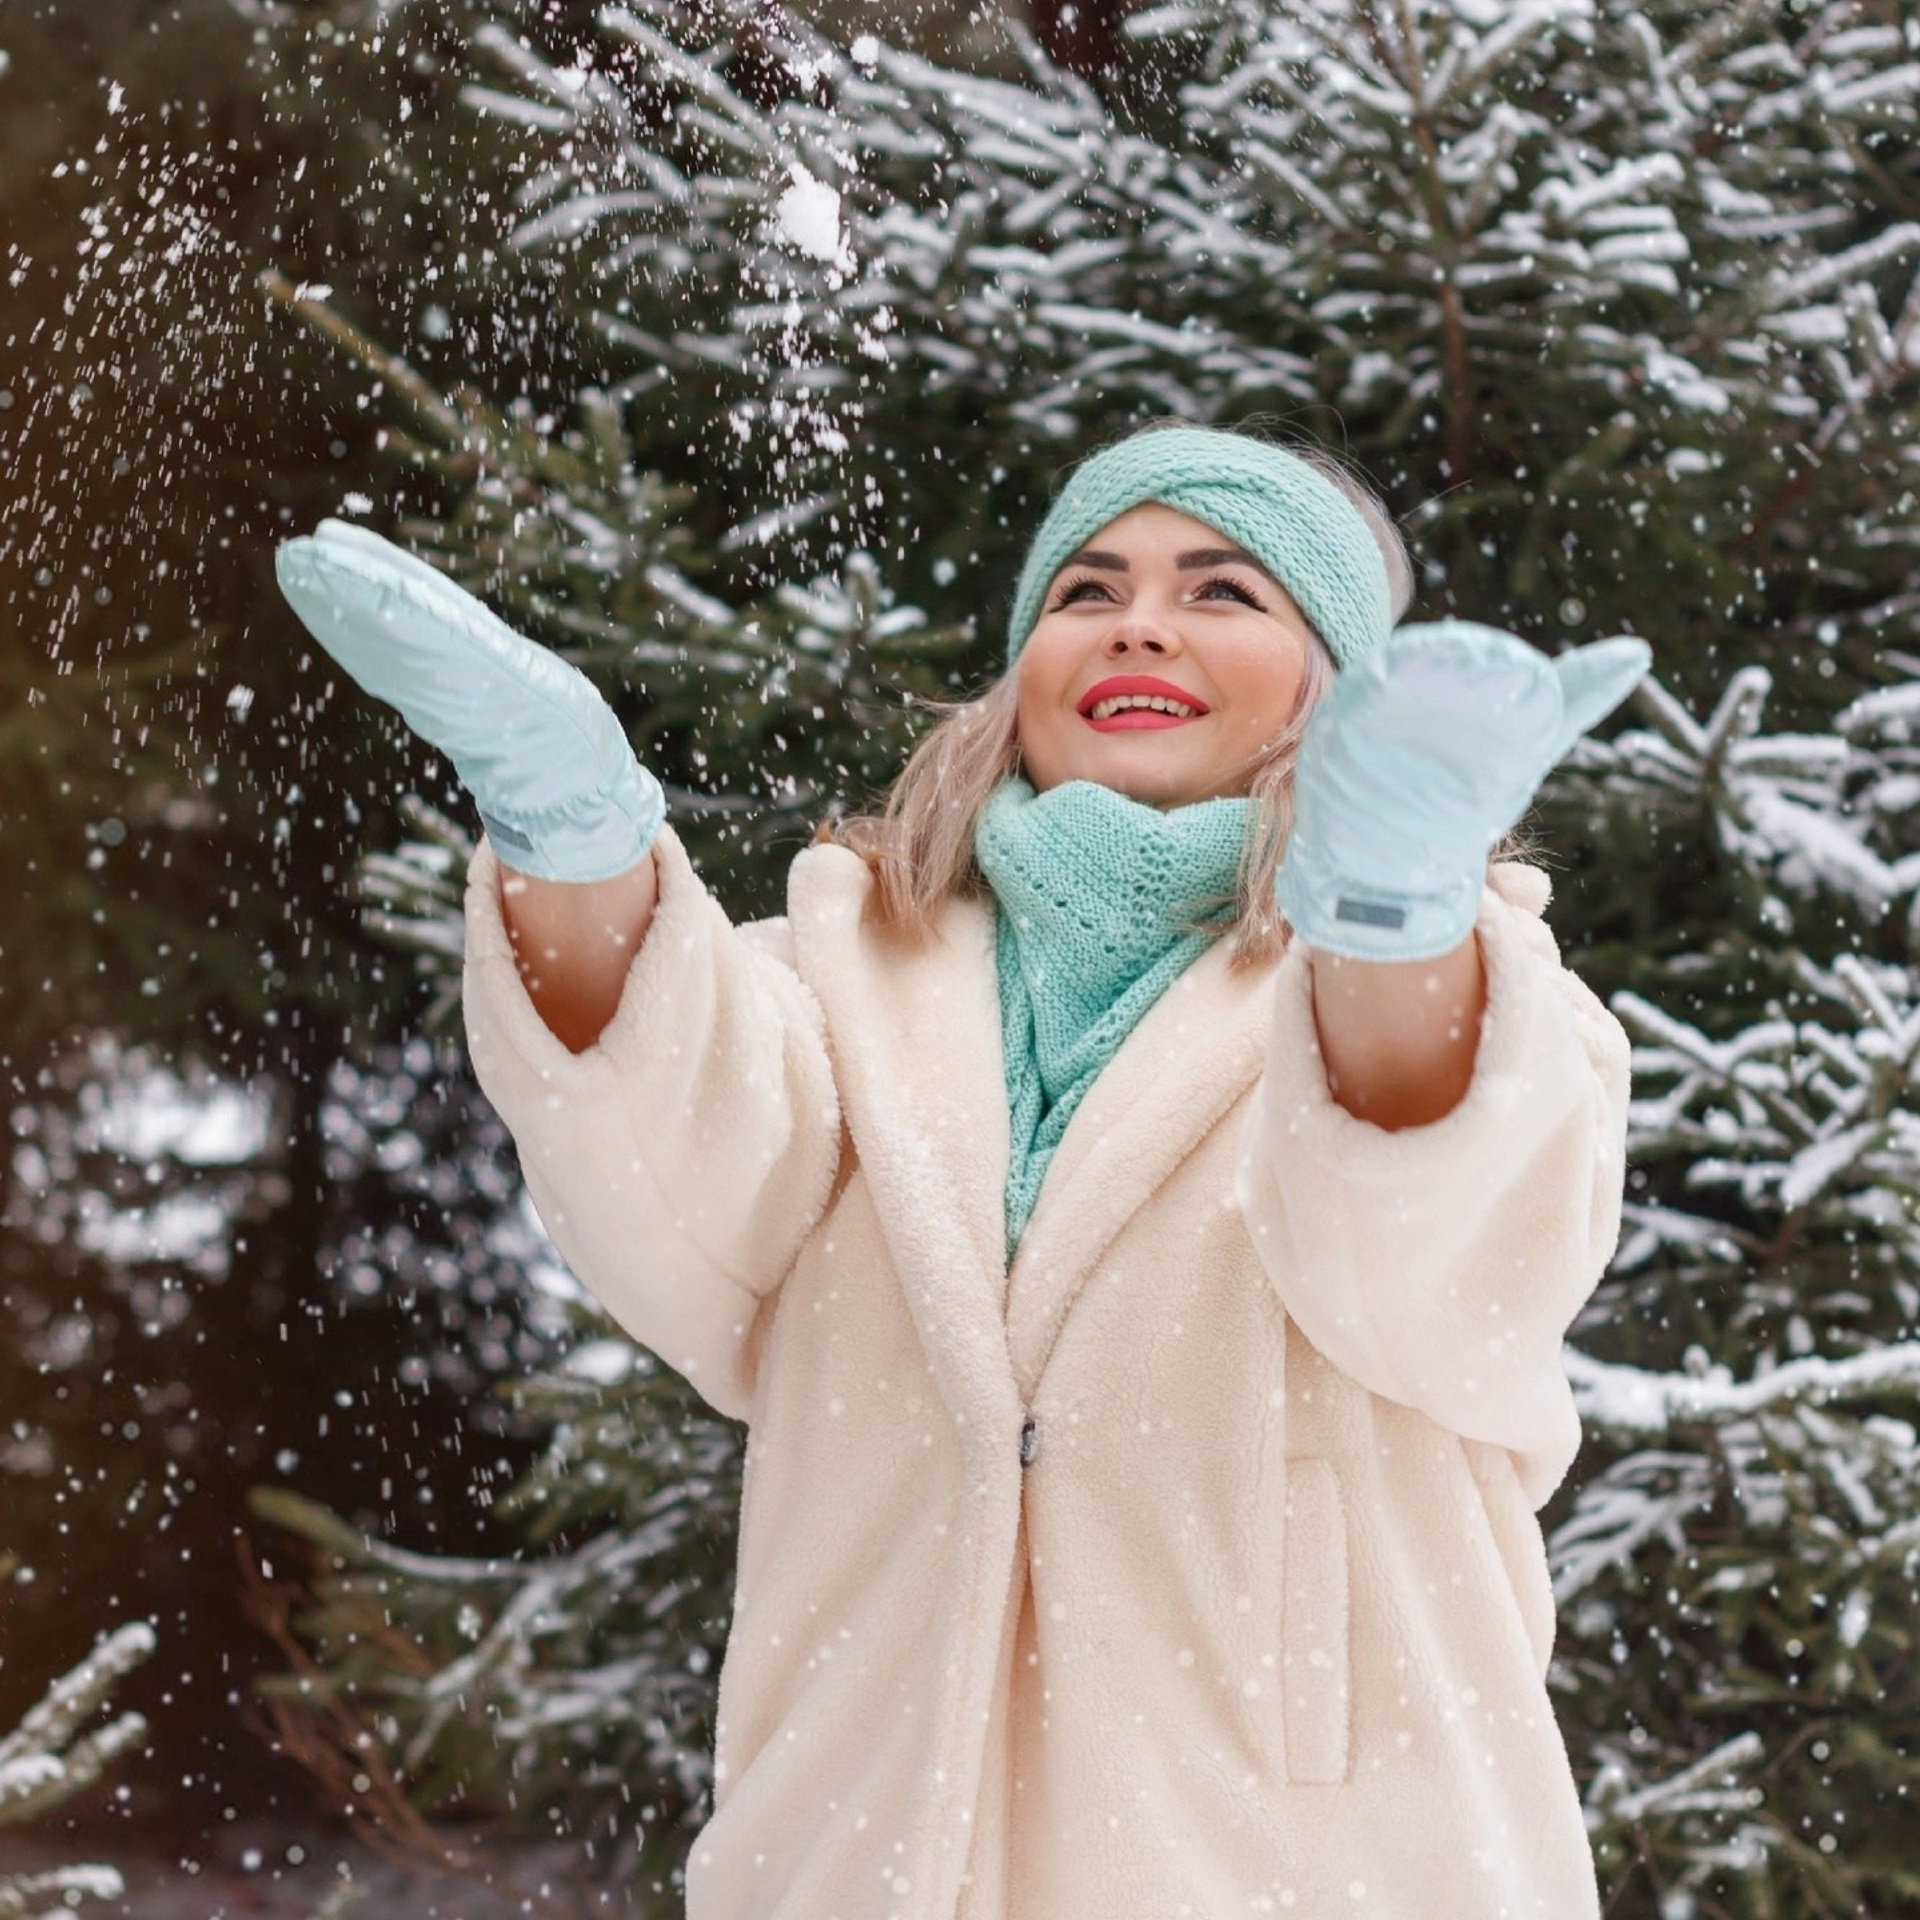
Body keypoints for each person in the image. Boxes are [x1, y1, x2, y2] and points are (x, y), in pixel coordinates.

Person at [276, 421, 1648, 1920]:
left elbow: (1435, 1263)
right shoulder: (844, 975)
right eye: (1087, 589)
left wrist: (1391, 908)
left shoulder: (1482, 998)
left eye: (1224, 591)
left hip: (1314, 1876)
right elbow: (671, 1166)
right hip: (859, 1869)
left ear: (1338, 687)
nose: (1138, 623)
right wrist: (567, 827)